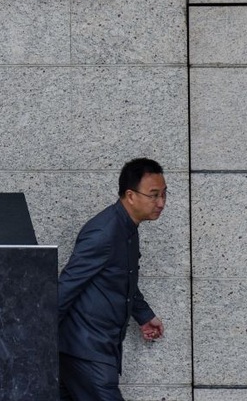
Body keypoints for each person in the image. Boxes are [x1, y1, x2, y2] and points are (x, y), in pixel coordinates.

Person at [57, 157, 167, 401]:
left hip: (98, 348)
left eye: (164, 195)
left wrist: (144, 315)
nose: (161, 203)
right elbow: (65, 286)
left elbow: (123, 278)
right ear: (130, 195)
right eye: (154, 195)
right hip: (84, 350)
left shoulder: (128, 228)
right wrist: (36, 336)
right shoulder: (103, 232)